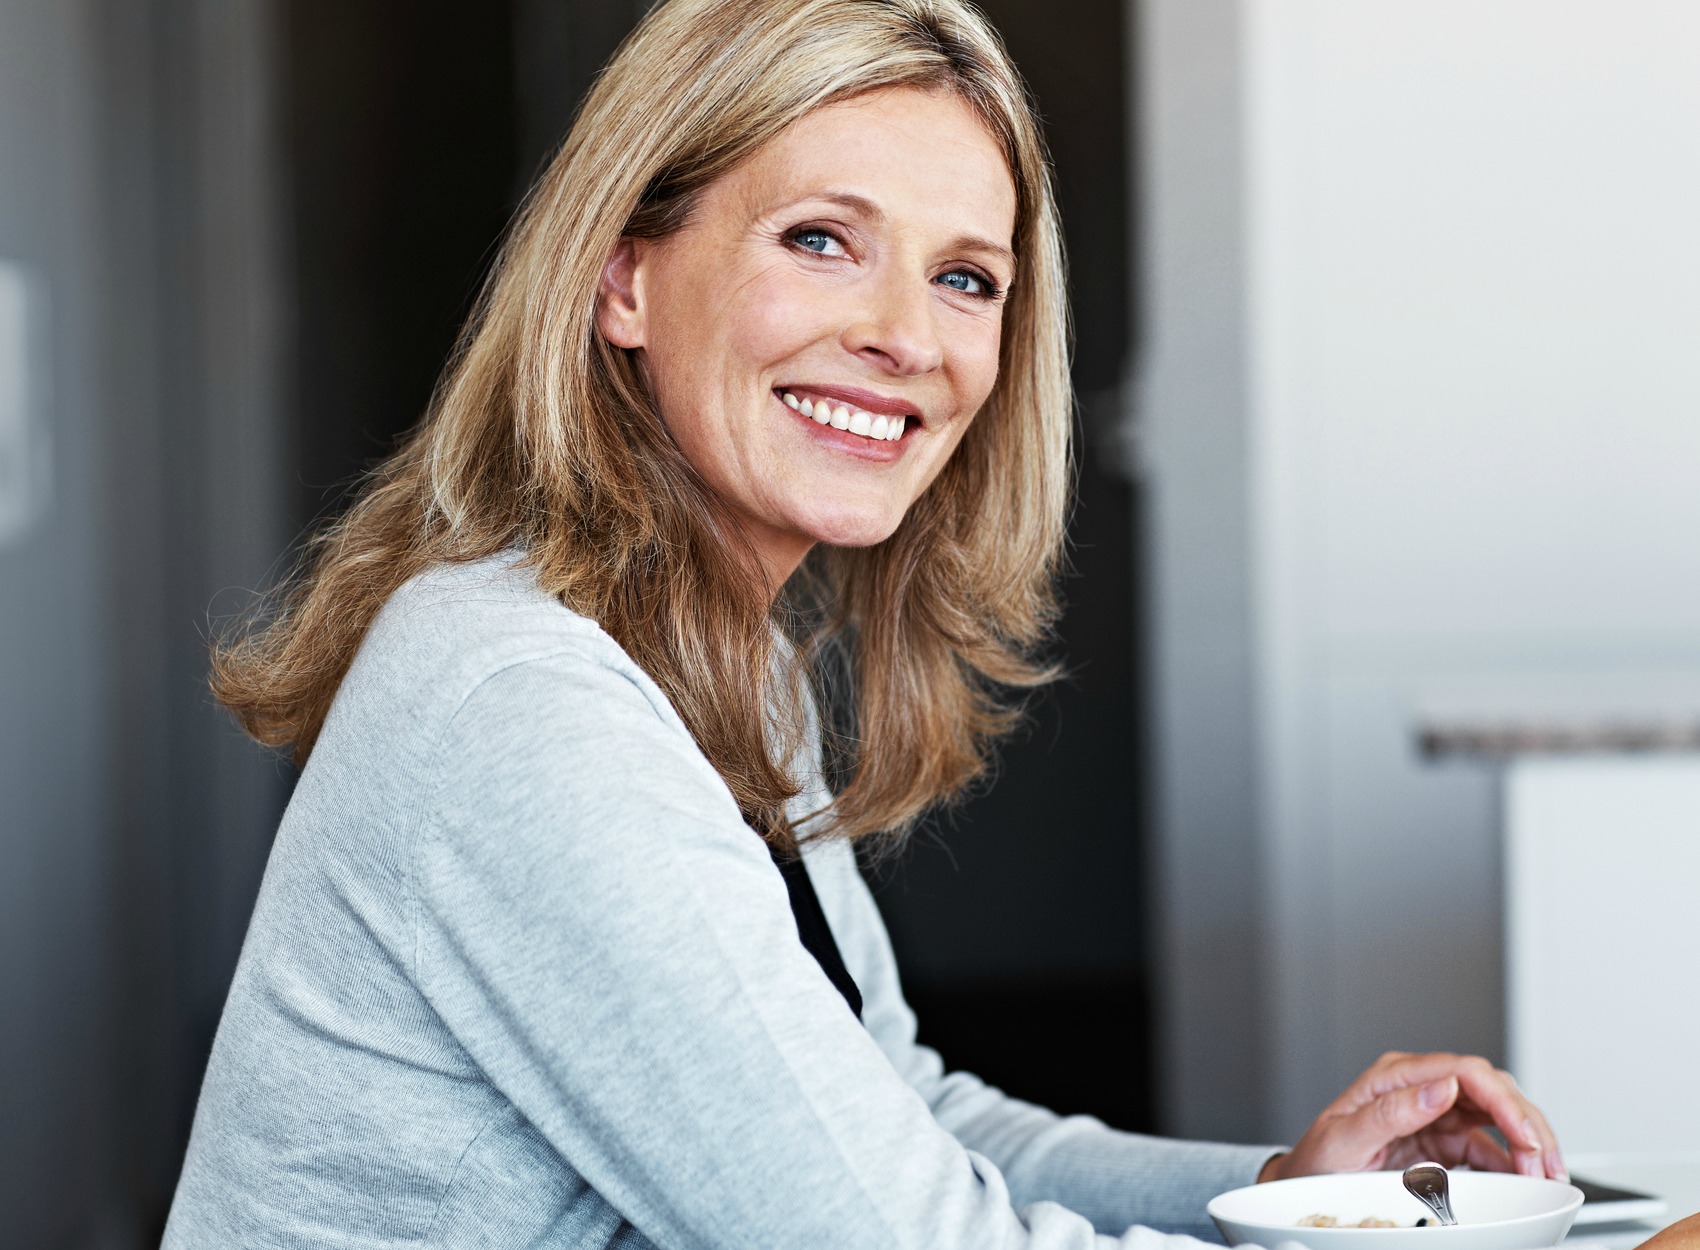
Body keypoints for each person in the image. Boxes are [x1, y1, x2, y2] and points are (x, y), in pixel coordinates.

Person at [161, 1, 1597, 1246]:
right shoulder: (519, 701)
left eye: (963, 276)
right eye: (822, 240)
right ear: (623, 277)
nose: (907, 335)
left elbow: (898, 1109)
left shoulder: (728, 669)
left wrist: (1289, 1188)